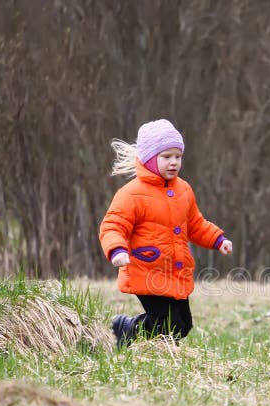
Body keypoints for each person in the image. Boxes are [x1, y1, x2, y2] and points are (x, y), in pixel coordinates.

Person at [99, 119, 232, 348]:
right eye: (166, 157)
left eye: (178, 156)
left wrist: (218, 239)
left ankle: (137, 336)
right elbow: (113, 225)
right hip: (146, 270)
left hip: (174, 272)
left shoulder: (183, 190)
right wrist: (117, 250)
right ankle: (128, 330)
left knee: (183, 325)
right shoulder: (131, 194)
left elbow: (195, 224)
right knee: (168, 324)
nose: (174, 162)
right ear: (150, 159)